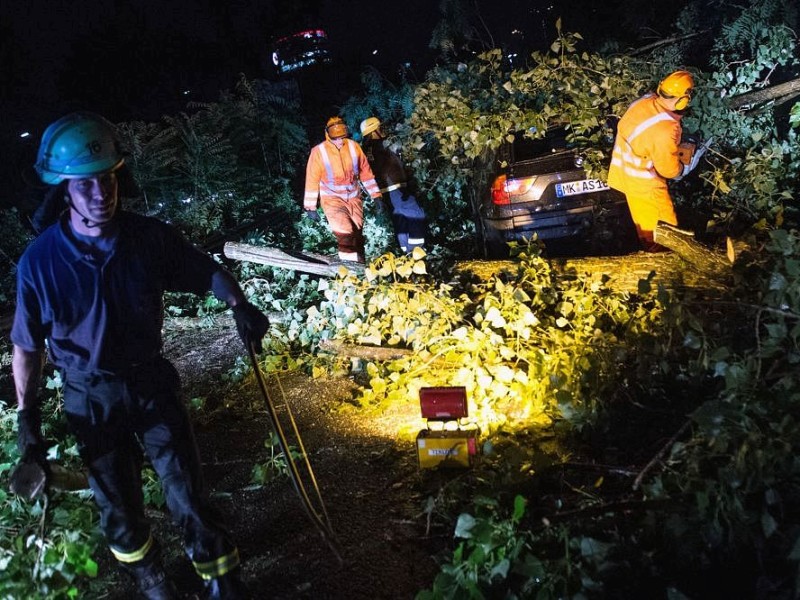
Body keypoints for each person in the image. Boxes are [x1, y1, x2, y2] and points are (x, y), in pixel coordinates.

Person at [11, 111, 270, 600]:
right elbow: (27, 346)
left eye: (107, 180)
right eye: (85, 185)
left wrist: (240, 304)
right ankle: (151, 578)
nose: (100, 194)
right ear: (64, 190)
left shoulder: (146, 238)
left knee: (186, 488)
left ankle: (220, 576)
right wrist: (28, 422)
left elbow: (204, 270)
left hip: (152, 381)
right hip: (90, 397)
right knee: (119, 505)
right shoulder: (40, 263)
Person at [607, 70, 703, 249]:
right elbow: (668, 170)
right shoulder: (665, 130)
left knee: (645, 228)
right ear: (683, 100)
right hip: (646, 184)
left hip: (625, 176)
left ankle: (651, 259)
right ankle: (667, 267)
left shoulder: (643, 101)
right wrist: (683, 169)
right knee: (667, 234)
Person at [302, 116, 384, 263]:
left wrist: (376, 196)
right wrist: (310, 207)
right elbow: (312, 179)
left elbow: (366, 173)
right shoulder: (319, 152)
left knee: (357, 234)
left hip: (354, 198)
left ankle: (361, 267)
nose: (339, 141)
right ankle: (350, 273)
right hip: (332, 200)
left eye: (342, 137)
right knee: (345, 234)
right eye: (336, 138)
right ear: (328, 135)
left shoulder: (354, 147)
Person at [359, 117, 427, 253]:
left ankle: (406, 251)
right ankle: (416, 250)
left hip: (385, 192)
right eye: (380, 128)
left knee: (400, 219)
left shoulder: (365, 149)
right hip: (395, 188)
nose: (383, 130)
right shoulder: (382, 144)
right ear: (374, 131)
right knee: (415, 213)